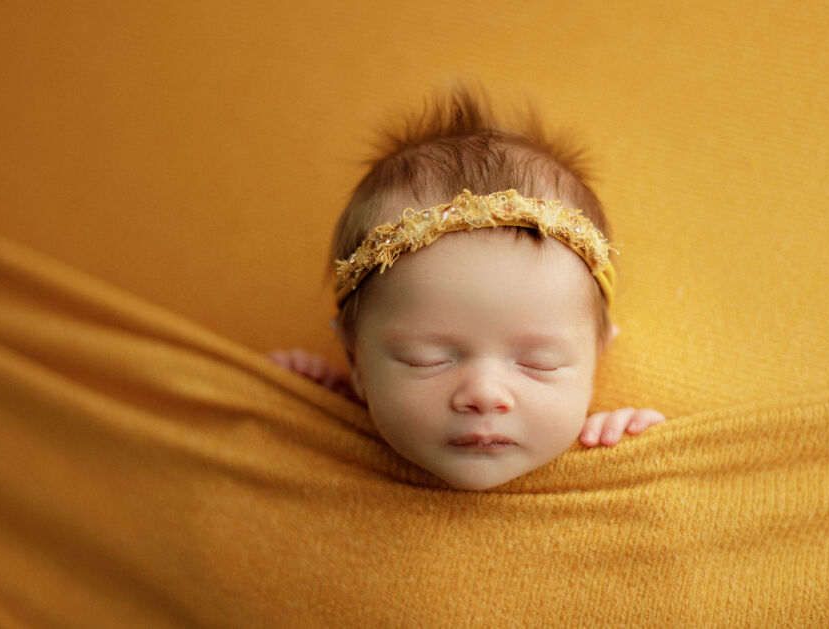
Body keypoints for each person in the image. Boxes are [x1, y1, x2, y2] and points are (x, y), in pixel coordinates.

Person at [271, 87, 664, 490]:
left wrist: (626, 439)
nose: (485, 394)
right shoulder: (339, 444)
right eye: (425, 360)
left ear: (595, 359)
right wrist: (326, 403)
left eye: (540, 363)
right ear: (355, 360)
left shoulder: (608, 450)